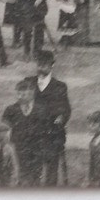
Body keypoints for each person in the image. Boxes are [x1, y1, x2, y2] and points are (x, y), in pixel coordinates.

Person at [32, 48, 71, 185]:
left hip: (52, 133)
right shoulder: (29, 83)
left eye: (44, 65)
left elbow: (66, 109)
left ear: (51, 65)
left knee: (51, 169)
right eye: (39, 64)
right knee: (32, 168)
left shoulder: (60, 86)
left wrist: (61, 118)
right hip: (33, 133)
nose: (40, 68)